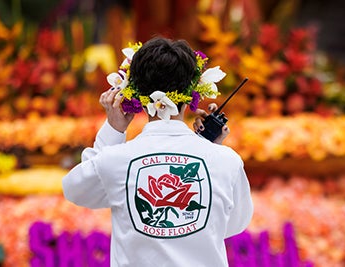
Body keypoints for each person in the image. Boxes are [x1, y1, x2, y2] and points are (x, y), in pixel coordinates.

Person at [62, 37, 253, 267]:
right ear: (194, 90)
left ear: (135, 91)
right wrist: (209, 149)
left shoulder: (114, 159)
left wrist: (112, 131)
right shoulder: (226, 161)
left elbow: (75, 189)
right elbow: (232, 224)